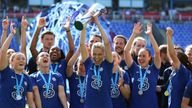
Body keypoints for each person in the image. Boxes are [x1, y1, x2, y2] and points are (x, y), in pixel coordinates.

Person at [124, 22, 161, 108]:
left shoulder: (154, 69)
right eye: (139, 56)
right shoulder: (134, 68)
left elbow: (157, 52)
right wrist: (134, 34)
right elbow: (126, 51)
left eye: (144, 56)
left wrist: (150, 35)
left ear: (149, 58)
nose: (141, 58)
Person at [80, 15, 113, 108]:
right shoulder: (88, 63)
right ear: (91, 53)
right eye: (94, 54)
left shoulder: (108, 64)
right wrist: (84, 26)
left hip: (105, 105)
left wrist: (97, 22)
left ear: (104, 54)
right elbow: (82, 44)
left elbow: (106, 44)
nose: (96, 57)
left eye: (99, 54)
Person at [0, 22, 35, 108]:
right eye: (18, 58)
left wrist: (23, 30)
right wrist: (10, 33)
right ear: (11, 61)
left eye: (23, 59)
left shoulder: (27, 78)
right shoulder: (5, 71)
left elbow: (30, 101)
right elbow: (3, 51)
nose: (22, 60)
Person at [165, 27, 190, 108]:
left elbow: (171, 54)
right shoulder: (175, 71)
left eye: (175, 57)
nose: (172, 59)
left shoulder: (182, 71)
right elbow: (170, 55)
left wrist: (169, 36)